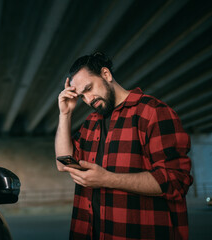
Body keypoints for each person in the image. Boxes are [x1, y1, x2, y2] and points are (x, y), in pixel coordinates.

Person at [55, 51, 193, 240]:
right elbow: (63, 163)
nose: (88, 100)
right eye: (81, 97)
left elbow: (176, 181)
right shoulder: (91, 123)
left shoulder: (153, 112)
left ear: (106, 74)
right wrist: (65, 114)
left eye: (88, 89)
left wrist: (107, 179)